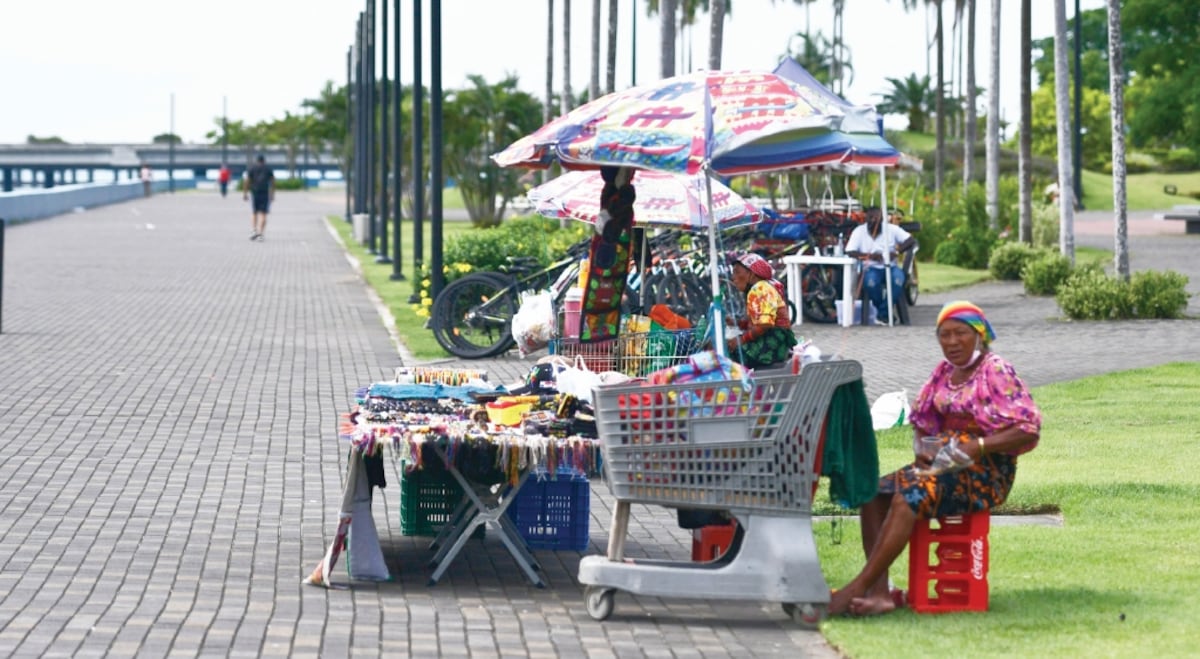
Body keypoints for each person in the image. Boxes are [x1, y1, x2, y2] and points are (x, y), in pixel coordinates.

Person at [828, 300, 1041, 617]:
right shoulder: (944, 373)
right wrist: (922, 449)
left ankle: (856, 588)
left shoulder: (995, 370)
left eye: (960, 333)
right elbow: (922, 423)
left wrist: (978, 445)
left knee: (908, 496)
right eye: (944, 334)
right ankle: (879, 593)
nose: (952, 342)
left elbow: (1028, 429)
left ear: (979, 334)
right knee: (872, 492)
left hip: (985, 473)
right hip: (941, 466)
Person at [726, 252, 797, 369]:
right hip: (776, 340)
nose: (733, 277)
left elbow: (765, 324)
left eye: (737, 272)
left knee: (729, 353)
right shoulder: (764, 286)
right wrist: (737, 323)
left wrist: (741, 340)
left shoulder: (759, 288)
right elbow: (757, 322)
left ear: (751, 274)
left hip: (772, 343)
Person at [844, 208, 914, 324]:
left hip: (890, 266)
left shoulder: (891, 229)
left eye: (876, 219)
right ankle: (885, 313)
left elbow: (910, 240)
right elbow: (850, 251)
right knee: (870, 283)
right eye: (870, 219)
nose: (873, 222)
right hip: (871, 268)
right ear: (866, 219)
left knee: (898, 280)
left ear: (882, 220)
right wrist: (870, 256)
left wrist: (896, 253)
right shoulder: (859, 231)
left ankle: (882, 314)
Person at [243, 155, 275, 241]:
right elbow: (272, 182)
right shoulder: (268, 169)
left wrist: (245, 193)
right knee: (263, 214)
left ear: (257, 161)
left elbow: (247, 181)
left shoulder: (252, 168)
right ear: (264, 161)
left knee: (254, 212)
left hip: (255, 193)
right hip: (265, 193)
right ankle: (261, 234)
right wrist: (272, 194)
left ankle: (254, 231)